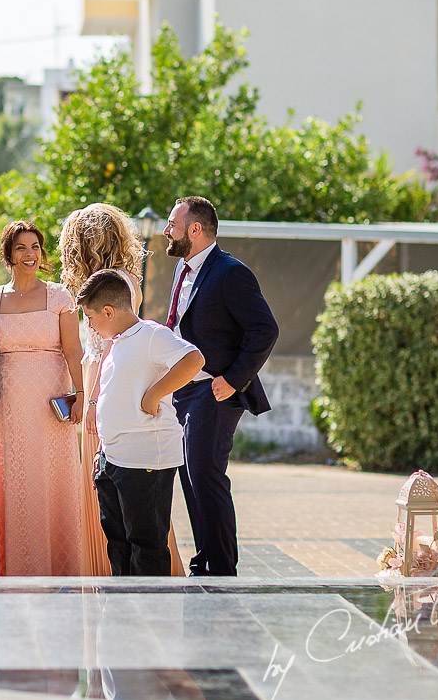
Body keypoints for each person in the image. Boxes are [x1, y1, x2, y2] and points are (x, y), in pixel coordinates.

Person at [59, 203, 186, 577]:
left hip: (105, 386)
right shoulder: (122, 278)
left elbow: (110, 349)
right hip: (99, 381)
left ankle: (116, 578)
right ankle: (115, 576)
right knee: (119, 503)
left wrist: (93, 400)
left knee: (123, 499)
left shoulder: (111, 284)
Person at [162, 196, 279, 577]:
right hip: (183, 390)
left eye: (172, 224)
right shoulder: (183, 269)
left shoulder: (230, 272)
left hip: (215, 391)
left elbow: (265, 330)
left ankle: (223, 569)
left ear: (194, 230)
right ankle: (204, 560)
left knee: (205, 475)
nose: (167, 230)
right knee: (190, 476)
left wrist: (232, 379)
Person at [78, 269, 205, 576]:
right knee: (118, 544)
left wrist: (155, 393)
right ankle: (124, 612)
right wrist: (103, 452)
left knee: (146, 545)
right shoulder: (118, 342)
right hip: (114, 458)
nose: (90, 326)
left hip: (145, 458)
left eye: (91, 317)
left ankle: (150, 615)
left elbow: (194, 359)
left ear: (109, 311)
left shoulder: (151, 335)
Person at [0, 220, 86, 575]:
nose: (30, 255)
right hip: (10, 405)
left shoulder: (60, 296)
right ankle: (10, 564)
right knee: (10, 477)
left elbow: (73, 351)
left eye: (35, 247)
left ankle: (58, 567)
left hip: (50, 402)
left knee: (50, 478)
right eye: (21, 248)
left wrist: (80, 394)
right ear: (8, 254)